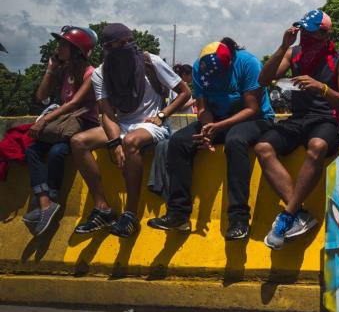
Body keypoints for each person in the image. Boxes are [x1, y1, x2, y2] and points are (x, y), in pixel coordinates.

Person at [70, 23, 191, 237]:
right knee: (78, 142)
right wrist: (114, 142)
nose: (128, 46)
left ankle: (131, 214)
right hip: (122, 124)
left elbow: (184, 92)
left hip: (150, 124)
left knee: (131, 142)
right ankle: (102, 208)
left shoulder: (149, 62)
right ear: (109, 47)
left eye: (129, 41)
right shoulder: (101, 73)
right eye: (121, 43)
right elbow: (107, 114)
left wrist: (162, 115)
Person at [147, 39, 275, 239]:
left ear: (230, 61)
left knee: (235, 141)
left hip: (254, 119)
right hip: (217, 120)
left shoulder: (249, 63)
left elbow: (252, 108)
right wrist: (207, 128)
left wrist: (219, 127)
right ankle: (178, 213)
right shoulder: (199, 67)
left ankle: (239, 219)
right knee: (179, 141)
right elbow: (203, 107)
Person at [254, 10, 339, 248]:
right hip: (298, 118)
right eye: (302, 33)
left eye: (309, 34)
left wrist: (322, 88)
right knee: (262, 146)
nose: (304, 39)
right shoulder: (293, 53)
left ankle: (287, 216)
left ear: (324, 34)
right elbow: (263, 80)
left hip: (327, 119)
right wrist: (282, 47)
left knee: (317, 146)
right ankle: (298, 213)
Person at [23, 26, 100, 236]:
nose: (59, 48)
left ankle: (50, 200)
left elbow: (74, 103)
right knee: (32, 150)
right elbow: (41, 97)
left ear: (76, 50)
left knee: (58, 152)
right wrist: (50, 69)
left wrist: (44, 121)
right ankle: (45, 203)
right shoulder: (64, 71)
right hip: (63, 124)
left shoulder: (90, 73)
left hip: (82, 123)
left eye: (64, 45)